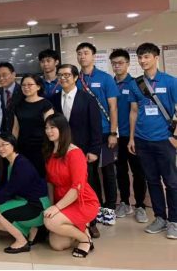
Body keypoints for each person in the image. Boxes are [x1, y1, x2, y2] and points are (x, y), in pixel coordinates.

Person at [129, 43, 177, 239]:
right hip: (142, 139)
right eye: (140, 57)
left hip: (164, 139)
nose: (143, 61)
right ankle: (160, 218)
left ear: (156, 58)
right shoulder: (136, 83)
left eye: (147, 56)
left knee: (171, 182)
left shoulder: (170, 81)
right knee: (152, 181)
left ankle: (174, 220)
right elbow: (134, 111)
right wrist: (132, 138)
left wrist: (175, 136)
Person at [50, 64, 103, 239]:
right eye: (60, 75)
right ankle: (68, 218)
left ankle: (91, 222)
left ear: (75, 77)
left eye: (66, 75)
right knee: (64, 183)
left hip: (83, 151)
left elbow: (96, 126)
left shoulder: (88, 99)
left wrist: (94, 149)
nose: (63, 78)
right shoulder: (53, 100)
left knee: (88, 185)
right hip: (60, 152)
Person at [44, 114, 100, 259]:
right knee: (57, 245)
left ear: (63, 129)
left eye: (53, 127)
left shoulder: (75, 153)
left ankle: (85, 239)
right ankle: (81, 227)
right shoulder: (50, 152)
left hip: (82, 201)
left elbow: (77, 188)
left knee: (50, 221)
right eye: (46, 128)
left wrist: (57, 208)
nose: (49, 131)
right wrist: (51, 205)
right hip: (63, 201)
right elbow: (50, 183)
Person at [76, 42, 120, 228]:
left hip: (104, 132)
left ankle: (110, 207)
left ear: (94, 56)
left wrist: (113, 132)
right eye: (79, 53)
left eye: (86, 53)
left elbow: (113, 107)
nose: (82, 56)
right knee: (89, 173)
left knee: (108, 171)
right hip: (84, 135)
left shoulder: (105, 78)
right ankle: (96, 206)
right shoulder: (75, 79)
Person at [0, 134, 50, 254]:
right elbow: (3, 185)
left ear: (13, 145)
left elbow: (11, 188)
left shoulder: (22, 164)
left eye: (4, 145)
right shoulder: (10, 163)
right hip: (23, 202)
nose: (1, 148)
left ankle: (22, 242)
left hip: (37, 206)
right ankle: (33, 230)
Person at [110, 49, 147, 223]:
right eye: (114, 63)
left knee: (138, 172)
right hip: (114, 136)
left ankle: (140, 205)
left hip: (133, 135)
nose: (117, 66)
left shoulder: (136, 84)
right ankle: (124, 202)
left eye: (120, 63)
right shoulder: (109, 83)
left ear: (128, 64)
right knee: (120, 171)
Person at [12, 75, 54, 178]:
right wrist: (13, 146)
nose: (26, 87)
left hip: (42, 147)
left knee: (41, 175)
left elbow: (51, 128)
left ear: (38, 87)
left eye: (29, 85)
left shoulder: (45, 104)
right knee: (24, 174)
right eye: (23, 85)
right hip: (23, 146)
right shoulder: (19, 105)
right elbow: (16, 128)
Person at [0, 62, 24, 135]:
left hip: (21, 134)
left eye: (4, 75)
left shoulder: (23, 91)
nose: (1, 78)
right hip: (2, 135)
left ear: (13, 75)